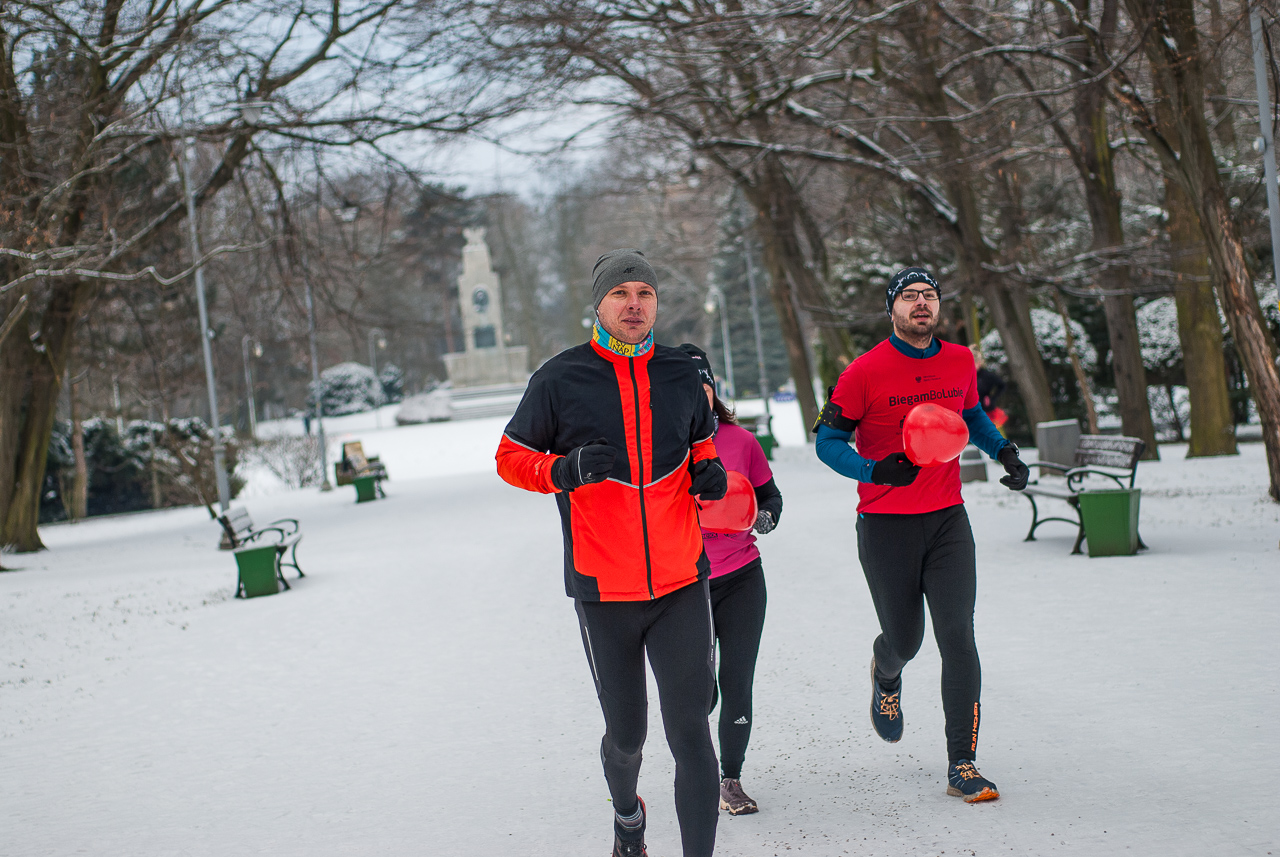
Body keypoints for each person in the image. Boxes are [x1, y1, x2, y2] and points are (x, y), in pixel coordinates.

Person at [495, 249, 728, 857]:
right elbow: (509, 458)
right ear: (598, 304)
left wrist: (711, 473)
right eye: (621, 293)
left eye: (644, 293)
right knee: (628, 737)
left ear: (656, 303)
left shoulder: (681, 372)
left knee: (691, 734)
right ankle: (628, 814)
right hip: (604, 590)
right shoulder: (559, 378)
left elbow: (702, 441)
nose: (633, 304)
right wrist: (563, 468)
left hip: (681, 581)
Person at [813, 266, 1030, 803]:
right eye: (908, 297)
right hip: (886, 526)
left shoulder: (960, 361)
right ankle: (886, 675)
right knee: (905, 640)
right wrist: (874, 469)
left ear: (939, 306)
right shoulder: (862, 372)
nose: (920, 304)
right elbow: (827, 441)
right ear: (892, 309)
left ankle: (963, 764)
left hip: (948, 520)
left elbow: (971, 414)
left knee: (958, 637)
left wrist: (1002, 449)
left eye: (928, 296)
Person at [678, 344, 782, 817]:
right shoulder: (661, 449)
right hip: (684, 582)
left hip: (742, 577)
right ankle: (705, 702)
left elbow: (770, 497)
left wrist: (764, 518)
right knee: (700, 691)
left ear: (712, 388)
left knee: (738, 680)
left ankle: (731, 778)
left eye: (702, 384)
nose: (696, 394)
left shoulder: (741, 441)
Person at [970, 345, 1009, 433]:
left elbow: (1002, 385)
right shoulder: (966, 375)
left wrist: (992, 398)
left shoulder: (987, 376)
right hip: (971, 409)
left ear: (979, 363)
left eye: (974, 364)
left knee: (989, 433)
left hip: (986, 410)